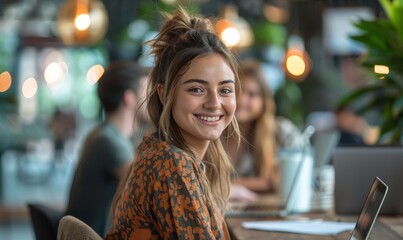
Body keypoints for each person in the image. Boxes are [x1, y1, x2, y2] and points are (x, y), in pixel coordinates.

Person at [105, 6, 240, 239]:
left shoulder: (161, 151)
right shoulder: (171, 163)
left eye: (225, 90)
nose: (214, 103)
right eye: (197, 89)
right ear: (164, 93)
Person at [65, 60, 150, 237]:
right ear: (129, 98)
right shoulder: (108, 141)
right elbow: (149, 189)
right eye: (146, 91)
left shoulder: (102, 133)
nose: (152, 99)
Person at [226, 59, 304, 200]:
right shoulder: (215, 132)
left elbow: (289, 179)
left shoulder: (282, 132)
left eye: (251, 94)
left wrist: (227, 185)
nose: (241, 100)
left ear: (264, 100)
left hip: (272, 213)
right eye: (236, 91)